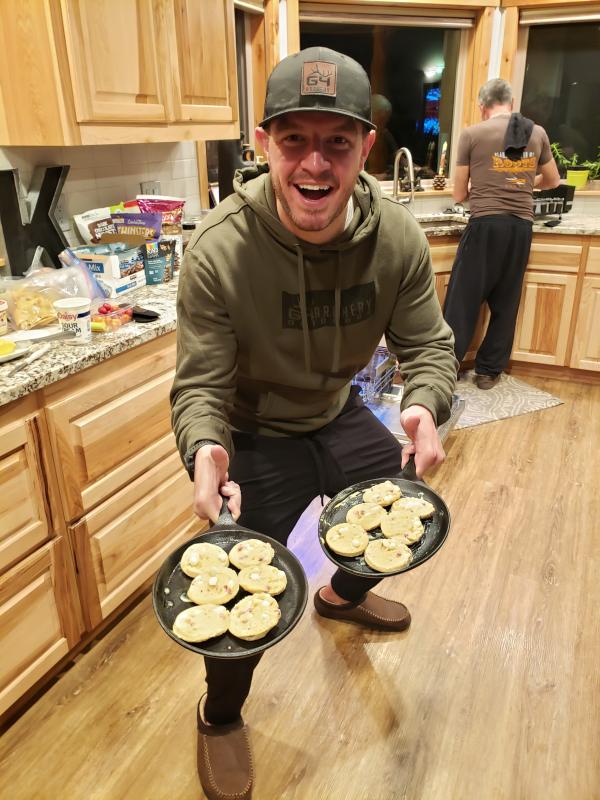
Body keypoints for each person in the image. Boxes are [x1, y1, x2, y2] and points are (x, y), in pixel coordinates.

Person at [171, 46, 457, 800]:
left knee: (403, 515)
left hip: (339, 413)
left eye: (337, 141)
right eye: (293, 138)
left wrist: (424, 403)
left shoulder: (396, 238)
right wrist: (206, 450)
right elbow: (201, 382)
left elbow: (428, 344)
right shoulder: (218, 251)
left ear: (366, 146)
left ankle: (341, 596)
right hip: (254, 431)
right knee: (236, 597)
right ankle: (221, 712)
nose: (315, 164)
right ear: (263, 143)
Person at [443, 78, 561, 389]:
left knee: (462, 300)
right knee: (506, 302)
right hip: (520, 227)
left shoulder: (472, 134)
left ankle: (445, 369)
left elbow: (457, 193)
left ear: (483, 106)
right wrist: (519, 182)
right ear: (510, 102)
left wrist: (484, 187)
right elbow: (552, 180)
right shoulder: (537, 132)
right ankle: (488, 372)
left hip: (485, 224)